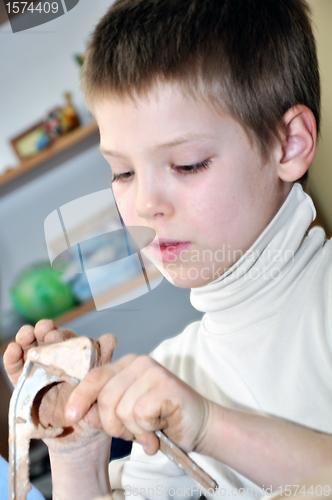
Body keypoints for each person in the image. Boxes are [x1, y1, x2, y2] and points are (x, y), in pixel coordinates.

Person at [4, 0, 332, 499]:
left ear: (287, 145)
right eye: (123, 172)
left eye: (187, 164)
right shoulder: (175, 374)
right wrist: (75, 446)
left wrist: (210, 428)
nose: (144, 203)